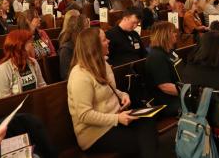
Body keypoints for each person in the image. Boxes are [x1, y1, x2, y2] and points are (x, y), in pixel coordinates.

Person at [67, 27, 158, 157]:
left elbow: (110, 90)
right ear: (95, 46)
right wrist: (116, 118)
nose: (108, 41)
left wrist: (123, 95)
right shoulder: (80, 75)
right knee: (139, 141)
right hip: (94, 134)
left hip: (114, 119)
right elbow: (84, 115)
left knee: (148, 120)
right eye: (104, 40)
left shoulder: (102, 63)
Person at [0, 30, 46, 98]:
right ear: (20, 46)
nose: (33, 45)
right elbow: (4, 102)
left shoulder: (33, 62)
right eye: (29, 42)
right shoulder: (1, 71)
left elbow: (42, 86)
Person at [145, 21, 180, 117]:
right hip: (165, 101)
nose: (175, 34)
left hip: (177, 92)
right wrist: (188, 92)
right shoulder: (156, 56)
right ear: (165, 35)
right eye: (173, 32)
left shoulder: (169, 51)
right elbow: (165, 86)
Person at [58, 14, 89, 80]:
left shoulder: (86, 43)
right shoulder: (66, 50)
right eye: (86, 27)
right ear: (79, 30)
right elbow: (66, 75)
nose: (89, 30)